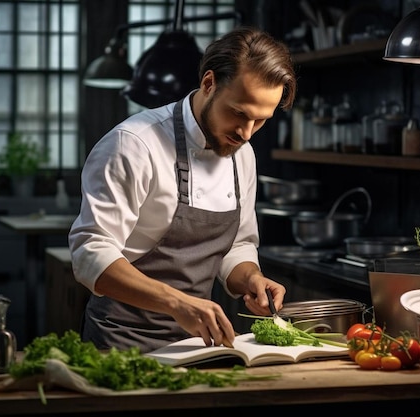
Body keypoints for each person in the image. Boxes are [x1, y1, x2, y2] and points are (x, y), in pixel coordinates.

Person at [68, 26, 297, 353]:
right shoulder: (133, 145)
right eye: (238, 113)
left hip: (196, 348)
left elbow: (237, 246)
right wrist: (178, 303)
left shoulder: (241, 154)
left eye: (261, 120)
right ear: (209, 83)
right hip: (120, 345)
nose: (246, 133)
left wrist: (251, 279)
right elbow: (90, 254)